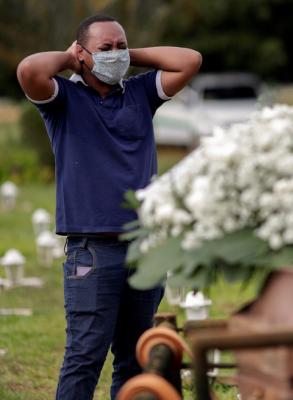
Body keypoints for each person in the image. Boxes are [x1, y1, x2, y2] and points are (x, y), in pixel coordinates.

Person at [16, 15, 202, 400]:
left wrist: (126, 55)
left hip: (145, 246)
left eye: (121, 46)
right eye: (106, 49)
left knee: (135, 359)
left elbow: (190, 60)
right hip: (93, 251)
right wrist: (71, 61)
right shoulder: (63, 100)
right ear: (81, 53)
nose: (116, 55)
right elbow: (29, 69)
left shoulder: (140, 93)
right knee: (85, 356)